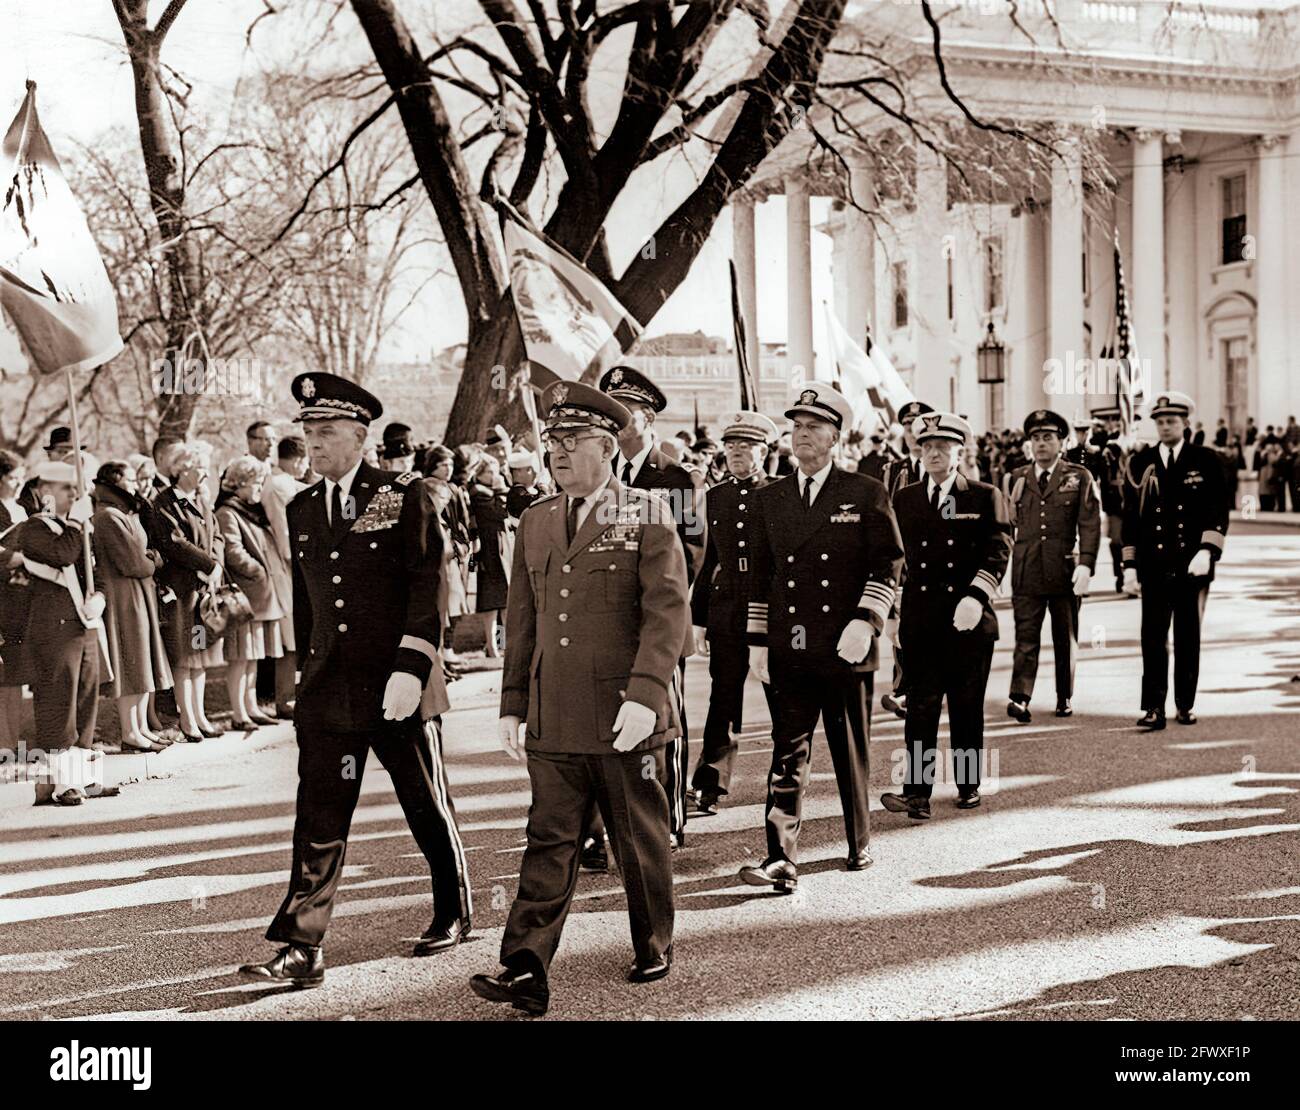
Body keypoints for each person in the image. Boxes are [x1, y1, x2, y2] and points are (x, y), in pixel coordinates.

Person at [239, 372, 470, 988]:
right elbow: (312, 604)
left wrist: (414, 667)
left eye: (327, 430)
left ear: (360, 435)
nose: (313, 441)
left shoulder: (405, 493)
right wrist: (303, 675)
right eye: (308, 431)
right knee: (319, 815)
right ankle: (301, 945)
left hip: (396, 683)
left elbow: (429, 588)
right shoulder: (303, 506)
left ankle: (453, 908)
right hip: (330, 689)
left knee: (424, 803)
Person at [471, 380, 689, 1016]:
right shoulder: (536, 520)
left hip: (625, 710)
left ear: (609, 447)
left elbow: (666, 611)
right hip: (555, 712)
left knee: (636, 834)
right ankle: (524, 967)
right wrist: (512, 703)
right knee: (549, 839)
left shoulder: (646, 511)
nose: (557, 453)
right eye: (553, 441)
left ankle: (653, 939)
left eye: (572, 441)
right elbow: (524, 620)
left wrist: (646, 695)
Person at [737, 383, 902, 890]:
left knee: (849, 746)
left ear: (835, 438)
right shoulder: (772, 499)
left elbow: (889, 563)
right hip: (792, 645)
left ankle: (859, 841)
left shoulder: (864, 491)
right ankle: (780, 857)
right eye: (797, 426)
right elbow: (760, 574)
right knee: (787, 751)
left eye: (814, 427)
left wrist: (867, 620)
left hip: (846, 642)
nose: (802, 435)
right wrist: (758, 641)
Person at [880, 412, 1012, 820]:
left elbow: (1000, 547)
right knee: (921, 706)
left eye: (942, 447)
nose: (933, 453)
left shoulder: (983, 494)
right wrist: (891, 611)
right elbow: (895, 558)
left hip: (968, 619)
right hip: (921, 619)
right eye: (926, 447)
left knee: (966, 705)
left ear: (960, 452)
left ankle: (968, 783)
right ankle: (916, 793)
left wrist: (977, 595)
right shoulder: (906, 498)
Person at [599, 364, 704, 856]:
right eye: (613, 412)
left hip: (658, 620)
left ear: (648, 418)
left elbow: (694, 549)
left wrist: (670, 609)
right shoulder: (597, 475)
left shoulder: (675, 476)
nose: (619, 421)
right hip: (608, 623)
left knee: (665, 722)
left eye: (628, 412)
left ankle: (670, 818)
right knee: (608, 723)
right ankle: (609, 828)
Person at [688, 410, 779, 816]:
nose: (737, 453)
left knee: (780, 697)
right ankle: (710, 781)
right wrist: (699, 618)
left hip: (770, 609)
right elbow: (709, 562)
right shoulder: (716, 496)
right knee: (723, 697)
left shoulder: (780, 494)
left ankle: (785, 780)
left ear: (765, 451)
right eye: (731, 446)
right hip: (727, 609)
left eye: (746, 446)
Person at [1122, 391, 1229, 729]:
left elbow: (1218, 509)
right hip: (1154, 564)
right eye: (1160, 421)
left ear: (1186, 423)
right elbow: (1131, 518)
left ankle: (1185, 703)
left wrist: (1207, 550)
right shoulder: (1140, 462)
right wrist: (1129, 565)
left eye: (1172, 420)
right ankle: (1154, 707)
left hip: (1191, 563)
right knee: (1152, 637)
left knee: (1187, 636)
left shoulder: (1206, 459)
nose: (1165, 426)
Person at [9, 463, 106, 806]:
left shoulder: (75, 529)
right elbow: (61, 554)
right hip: (53, 630)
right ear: (46, 490)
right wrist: (77, 523)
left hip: (83, 624)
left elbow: (96, 570)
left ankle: (85, 777)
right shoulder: (34, 528)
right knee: (58, 704)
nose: (74, 495)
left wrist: (100, 598)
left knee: (85, 703)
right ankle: (63, 783)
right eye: (66, 489)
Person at [1001, 410, 1100, 723]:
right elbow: (1004, 526)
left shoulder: (1078, 476)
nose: (1041, 444)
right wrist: (1000, 569)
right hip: (1026, 568)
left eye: (1048, 437)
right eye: (1035, 438)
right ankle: (1020, 697)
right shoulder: (1016, 478)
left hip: (1063, 569)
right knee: (1025, 636)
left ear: (1062, 442)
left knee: (1064, 635)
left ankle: (1063, 695)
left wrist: (1086, 564)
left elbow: (1090, 523)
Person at [91, 461, 175, 753]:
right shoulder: (108, 517)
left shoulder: (124, 512)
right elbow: (133, 562)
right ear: (115, 482)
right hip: (123, 597)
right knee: (131, 663)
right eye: (129, 479)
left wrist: (147, 559)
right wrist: (155, 561)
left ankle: (140, 727)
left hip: (138, 594)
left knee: (142, 663)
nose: (136, 484)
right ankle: (130, 731)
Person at [149, 444, 225, 741]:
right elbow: (173, 542)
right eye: (200, 468)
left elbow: (216, 534)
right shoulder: (165, 502)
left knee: (200, 655)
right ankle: (187, 719)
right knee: (185, 657)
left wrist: (215, 563)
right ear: (182, 469)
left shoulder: (201, 501)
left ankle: (200, 715)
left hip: (203, 587)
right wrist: (206, 564)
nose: (205, 474)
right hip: (182, 590)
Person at [216, 456, 285, 730]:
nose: (259, 489)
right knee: (240, 657)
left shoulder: (249, 511)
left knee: (253, 656)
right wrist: (258, 570)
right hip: (244, 596)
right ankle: (238, 713)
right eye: (256, 483)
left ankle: (251, 707)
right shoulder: (227, 512)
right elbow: (233, 551)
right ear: (241, 483)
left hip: (260, 596)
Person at [878, 399, 934, 720]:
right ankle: (904, 690)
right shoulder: (892, 471)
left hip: (938, 560)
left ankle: (927, 688)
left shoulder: (948, 467)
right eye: (908, 425)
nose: (913, 431)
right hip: (904, 559)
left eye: (920, 423)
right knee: (899, 626)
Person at [261, 437, 309, 718]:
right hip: (286, 568)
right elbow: (284, 531)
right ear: (295, 459)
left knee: (294, 635)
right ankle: (285, 697)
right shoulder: (280, 487)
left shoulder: (284, 483)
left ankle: (291, 694)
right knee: (290, 636)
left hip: (288, 567)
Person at [0, 449, 31, 747]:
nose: (19, 483)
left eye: (22, 477)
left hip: (19, 597)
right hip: (1, 592)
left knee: (15, 672)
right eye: (13, 478)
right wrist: (16, 556)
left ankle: (12, 740)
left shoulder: (21, 508)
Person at [468, 451, 512, 658]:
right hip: (489, 553)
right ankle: (493, 646)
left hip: (499, 550)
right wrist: (501, 488)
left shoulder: (490, 492)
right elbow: (500, 513)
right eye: (490, 471)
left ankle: (501, 644)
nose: (495, 474)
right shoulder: (479, 493)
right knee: (491, 604)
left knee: (503, 602)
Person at [506, 450, 544, 521]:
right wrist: (543, 490)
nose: (534, 473)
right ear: (518, 473)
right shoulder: (518, 494)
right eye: (529, 470)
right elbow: (541, 505)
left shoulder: (517, 491)